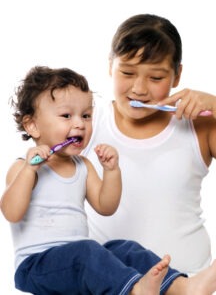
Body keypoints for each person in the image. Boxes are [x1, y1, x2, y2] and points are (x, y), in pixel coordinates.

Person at [1, 66, 216, 295]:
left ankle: (183, 288)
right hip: (36, 267)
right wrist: (29, 170)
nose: (80, 124)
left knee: (124, 248)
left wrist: (112, 171)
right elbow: (11, 212)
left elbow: (106, 206)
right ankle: (134, 291)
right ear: (32, 125)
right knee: (87, 252)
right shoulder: (22, 168)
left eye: (86, 115)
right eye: (66, 116)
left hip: (75, 261)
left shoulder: (83, 166)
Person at [82, 13, 216, 275]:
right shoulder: (86, 123)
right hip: (106, 284)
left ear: (177, 76)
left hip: (190, 283)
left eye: (156, 78)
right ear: (110, 66)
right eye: (127, 72)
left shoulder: (200, 125)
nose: (139, 89)